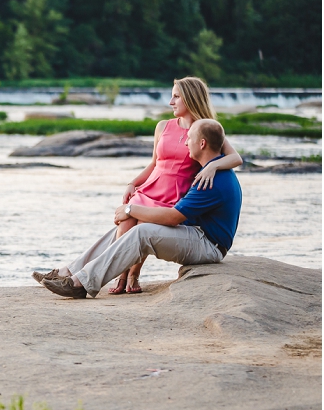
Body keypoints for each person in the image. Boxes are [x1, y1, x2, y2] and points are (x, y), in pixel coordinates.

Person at [36, 77, 241, 294]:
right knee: (123, 229)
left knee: (141, 230)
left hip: (201, 236)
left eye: (176, 96)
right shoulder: (200, 164)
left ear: (201, 143)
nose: (185, 141)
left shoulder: (208, 165)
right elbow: (155, 164)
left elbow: (174, 216)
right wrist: (132, 185)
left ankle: (85, 282)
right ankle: (72, 274)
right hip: (188, 221)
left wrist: (212, 167)